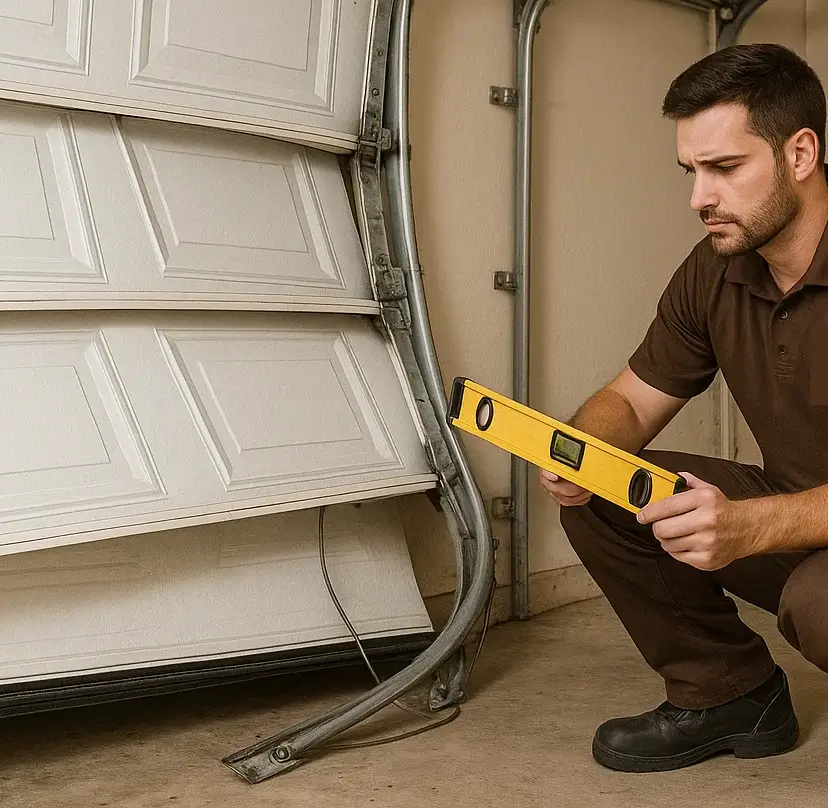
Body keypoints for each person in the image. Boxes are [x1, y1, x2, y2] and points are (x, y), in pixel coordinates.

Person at [542, 42, 828, 773]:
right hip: (798, 517)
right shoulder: (717, 268)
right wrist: (580, 452)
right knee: (612, 493)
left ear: (801, 153)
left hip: (800, 541)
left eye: (725, 169)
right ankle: (727, 694)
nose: (699, 197)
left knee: (819, 601)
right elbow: (630, 402)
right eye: (692, 171)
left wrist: (753, 524)